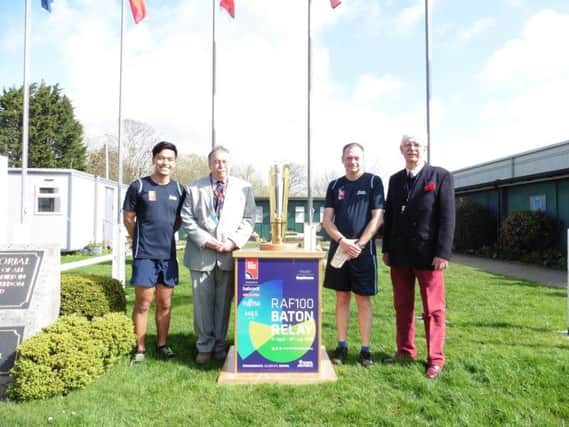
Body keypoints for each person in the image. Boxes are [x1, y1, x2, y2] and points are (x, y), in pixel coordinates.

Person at [382, 134, 455, 379]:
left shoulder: (441, 176)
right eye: (407, 145)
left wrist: (443, 252)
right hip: (400, 256)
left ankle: (435, 359)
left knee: (433, 310)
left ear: (425, 148)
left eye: (416, 145)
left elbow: (447, 217)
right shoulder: (394, 180)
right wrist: (387, 249)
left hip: (429, 257)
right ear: (400, 150)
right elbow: (390, 216)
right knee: (402, 306)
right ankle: (404, 351)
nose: (412, 149)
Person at [181, 145, 256, 365]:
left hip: (228, 255)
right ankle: (204, 346)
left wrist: (232, 243)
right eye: (216, 161)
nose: (220, 165)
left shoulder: (244, 188)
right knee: (202, 304)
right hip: (201, 253)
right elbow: (187, 218)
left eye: (224, 161)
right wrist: (206, 240)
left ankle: (220, 345)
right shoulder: (194, 187)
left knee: (224, 304)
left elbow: (249, 219)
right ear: (209, 164)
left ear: (230, 163)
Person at [123, 141, 186, 365]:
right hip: (144, 256)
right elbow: (128, 218)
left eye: (169, 159)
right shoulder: (138, 186)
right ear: (154, 159)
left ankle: (162, 344)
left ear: (174, 163)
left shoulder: (179, 190)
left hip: (167, 257)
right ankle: (139, 348)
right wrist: (139, 239)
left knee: (165, 304)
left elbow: (178, 221)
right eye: (161, 158)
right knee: (143, 304)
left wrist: (165, 235)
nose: (165, 162)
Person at [322, 142, 385, 368]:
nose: (353, 162)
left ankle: (365, 349)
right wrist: (342, 241)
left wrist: (359, 244)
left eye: (357, 158)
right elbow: (327, 221)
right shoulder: (334, 185)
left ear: (362, 159)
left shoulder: (373, 182)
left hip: (363, 251)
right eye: (349, 158)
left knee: (363, 300)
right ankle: (341, 345)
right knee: (341, 297)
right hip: (340, 248)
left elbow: (377, 217)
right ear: (342, 160)